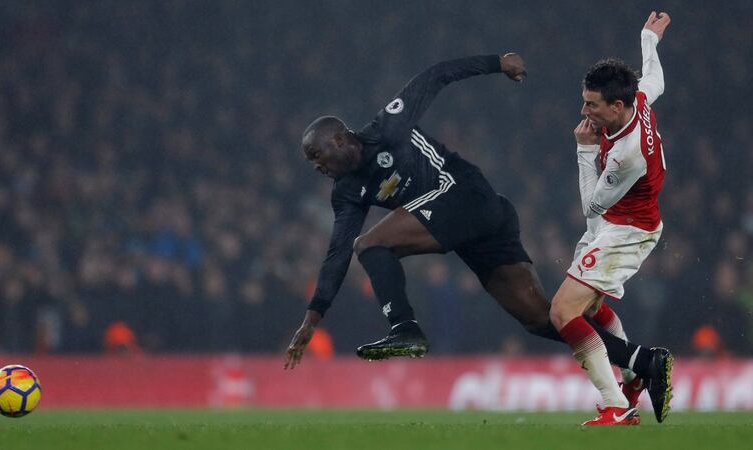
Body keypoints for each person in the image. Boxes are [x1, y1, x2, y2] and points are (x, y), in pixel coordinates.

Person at [283, 49, 667, 395]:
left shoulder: (387, 129)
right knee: (539, 317)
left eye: (316, 155)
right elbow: (335, 254)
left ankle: (404, 328)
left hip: (467, 196)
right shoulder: (347, 191)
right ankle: (642, 361)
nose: (316, 167)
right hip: (474, 225)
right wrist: (312, 318)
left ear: (338, 140)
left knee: (369, 245)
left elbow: (434, 74)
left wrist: (497, 63)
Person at [549, 12, 673, 426]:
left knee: (563, 312)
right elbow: (655, 78)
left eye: (591, 104)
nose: (584, 110)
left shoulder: (626, 154)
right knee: (591, 306)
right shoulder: (638, 99)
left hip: (626, 229)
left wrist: (584, 150)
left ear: (616, 105)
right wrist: (647, 39)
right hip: (618, 223)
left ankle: (614, 403)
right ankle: (632, 376)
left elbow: (591, 205)